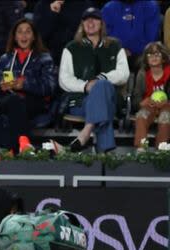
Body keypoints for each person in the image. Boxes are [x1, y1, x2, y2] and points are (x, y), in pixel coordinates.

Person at [59, 7, 128, 153]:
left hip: (112, 99)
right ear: (82, 24)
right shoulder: (71, 48)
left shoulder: (115, 46)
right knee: (103, 99)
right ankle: (105, 155)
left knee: (102, 85)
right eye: (86, 19)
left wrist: (100, 79)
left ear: (101, 23)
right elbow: (64, 79)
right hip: (81, 102)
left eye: (94, 19)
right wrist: (85, 86)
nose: (90, 22)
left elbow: (123, 74)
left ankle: (86, 131)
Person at [0, 19, 56, 153]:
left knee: (2, 121)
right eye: (20, 32)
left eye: (28, 32)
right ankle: (25, 143)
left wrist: (24, 84)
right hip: (7, 100)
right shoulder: (5, 59)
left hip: (33, 102)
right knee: (13, 102)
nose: (23, 36)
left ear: (34, 36)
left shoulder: (44, 58)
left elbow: (50, 86)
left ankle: (12, 151)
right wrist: (0, 85)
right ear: (14, 36)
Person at [132, 42, 170, 149]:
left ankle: (161, 150)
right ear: (146, 59)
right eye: (150, 55)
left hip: (167, 106)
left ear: (163, 58)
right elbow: (136, 98)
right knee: (141, 116)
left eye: (157, 54)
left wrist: (167, 103)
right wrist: (141, 102)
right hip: (149, 105)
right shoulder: (142, 74)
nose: (153, 57)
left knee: (165, 117)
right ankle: (141, 149)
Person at [34, 0, 95, 66]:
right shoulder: (43, 4)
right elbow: (39, 36)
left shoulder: (85, 4)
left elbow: (92, 34)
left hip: (77, 57)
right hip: (51, 59)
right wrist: (52, 14)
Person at [101, 0, 159, 70]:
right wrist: (120, 51)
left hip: (142, 54)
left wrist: (137, 52)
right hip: (116, 54)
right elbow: (104, 37)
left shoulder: (150, 6)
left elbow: (151, 38)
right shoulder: (108, 8)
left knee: (148, 63)